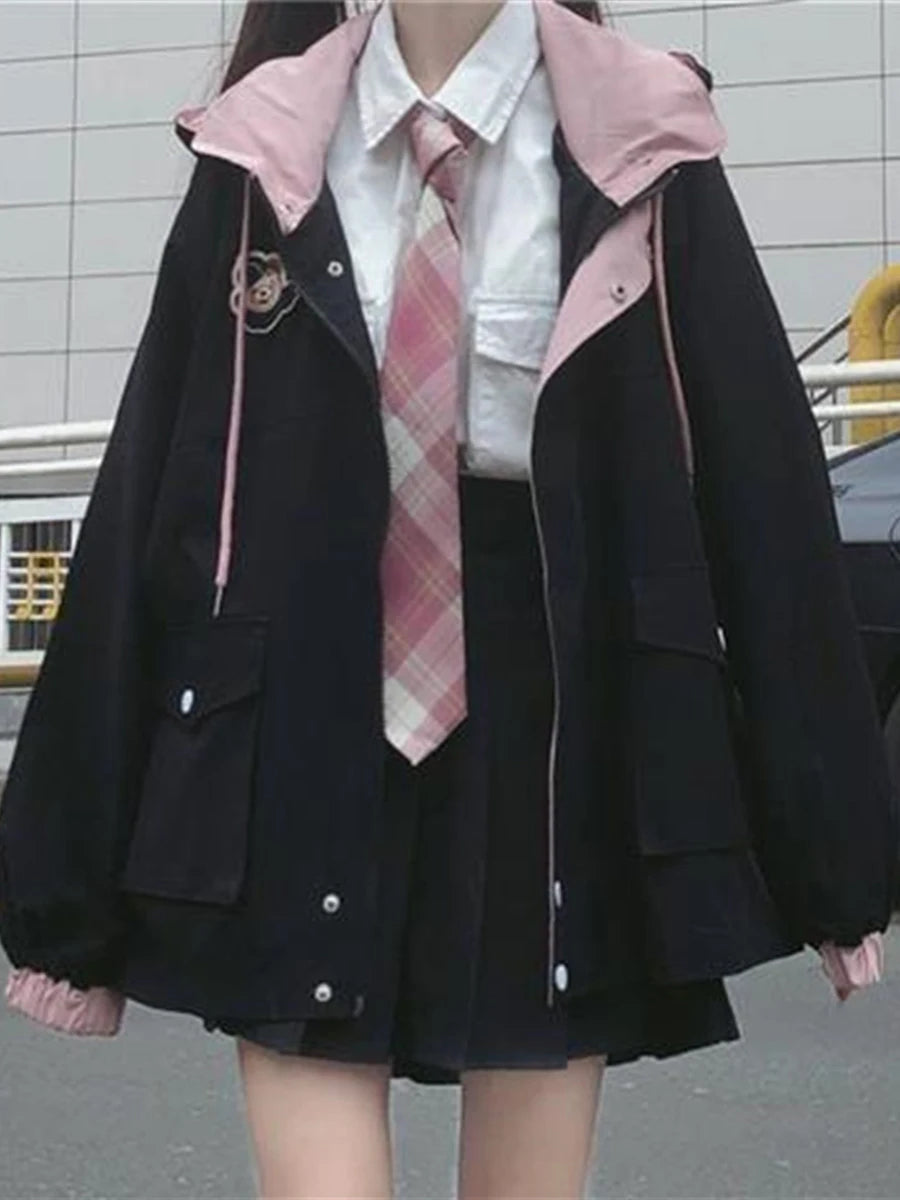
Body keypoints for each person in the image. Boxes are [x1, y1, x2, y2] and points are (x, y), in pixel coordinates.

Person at [0, 0, 896, 1196]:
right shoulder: (261, 146)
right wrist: (60, 881)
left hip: (558, 729)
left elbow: (761, 488)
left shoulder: (645, 139)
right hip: (294, 719)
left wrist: (834, 851)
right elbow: (150, 496)